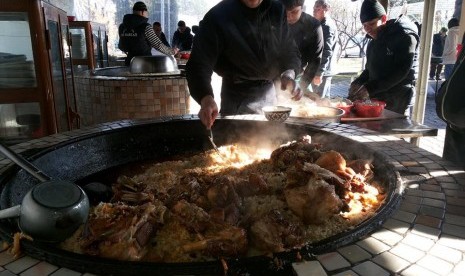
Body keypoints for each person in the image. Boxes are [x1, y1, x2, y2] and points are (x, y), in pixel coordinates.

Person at [186, 0, 303, 129]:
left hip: (269, 94)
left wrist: (289, 73)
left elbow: (289, 49)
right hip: (236, 96)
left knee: (270, 140)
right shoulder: (218, 15)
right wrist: (206, 98)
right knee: (234, 142)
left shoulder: (276, 9)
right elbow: (199, 62)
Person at [348, 0, 419, 115]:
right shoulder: (373, 42)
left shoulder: (404, 36)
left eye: (371, 24)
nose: (368, 29)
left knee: (392, 131)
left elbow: (401, 71)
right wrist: (358, 82)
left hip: (399, 97)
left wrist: (370, 88)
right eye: (365, 25)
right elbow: (369, 70)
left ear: (384, 19)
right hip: (379, 96)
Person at [279, 0, 323, 95]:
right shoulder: (275, 20)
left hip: (299, 74)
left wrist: (302, 86)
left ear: (302, 8)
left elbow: (315, 61)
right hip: (274, 75)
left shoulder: (314, 26)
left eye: (294, 12)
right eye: (285, 12)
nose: (289, 17)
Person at [118, 1, 177, 66]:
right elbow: (158, 45)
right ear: (143, 12)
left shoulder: (122, 27)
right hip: (145, 63)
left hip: (130, 63)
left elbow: (121, 46)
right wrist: (172, 51)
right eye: (147, 12)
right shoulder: (146, 27)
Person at [312, 0, 339, 98]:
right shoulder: (321, 24)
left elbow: (327, 51)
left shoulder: (326, 26)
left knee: (317, 102)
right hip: (324, 70)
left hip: (323, 70)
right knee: (324, 101)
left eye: (318, 9)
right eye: (314, 8)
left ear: (326, 10)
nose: (314, 11)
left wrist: (320, 73)